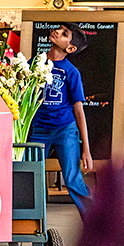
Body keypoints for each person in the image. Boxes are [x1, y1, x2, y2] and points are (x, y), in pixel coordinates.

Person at [28, 23, 94, 214]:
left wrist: (86, 150)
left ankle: (97, 228)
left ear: (70, 48)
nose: (56, 32)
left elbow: (79, 110)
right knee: (29, 176)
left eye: (64, 33)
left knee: (72, 179)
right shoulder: (35, 64)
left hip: (65, 129)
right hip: (39, 130)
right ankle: (26, 223)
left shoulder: (71, 72)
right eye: (58, 28)